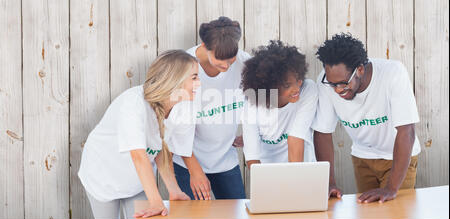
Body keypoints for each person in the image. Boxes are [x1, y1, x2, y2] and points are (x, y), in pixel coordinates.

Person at [78, 50, 200, 219]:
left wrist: (174, 190)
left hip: (135, 182)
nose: (199, 84)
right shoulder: (133, 102)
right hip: (103, 176)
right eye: (194, 78)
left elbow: (163, 151)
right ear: (175, 79)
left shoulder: (184, 106)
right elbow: (138, 156)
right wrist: (156, 201)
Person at [312, 33, 421, 203]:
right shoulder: (326, 81)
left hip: (398, 157)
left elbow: (407, 132)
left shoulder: (393, 73)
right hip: (363, 157)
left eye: (343, 83)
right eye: (333, 84)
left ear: (360, 70)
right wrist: (330, 183)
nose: (337, 90)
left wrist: (391, 188)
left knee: (395, 213)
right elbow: (322, 133)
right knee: (368, 214)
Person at [172, 16, 251, 200]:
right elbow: (174, 127)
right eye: (220, 60)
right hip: (188, 161)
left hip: (226, 159)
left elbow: (262, 98)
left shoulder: (244, 62)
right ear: (204, 46)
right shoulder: (182, 67)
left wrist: (252, 132)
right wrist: (195, 170)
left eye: (231, 60)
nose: (226, 66)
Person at [240, 40, 318, 169]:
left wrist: (296, 180)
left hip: (302, 168)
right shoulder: (253, 102)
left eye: (298, 80)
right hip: (268, 170)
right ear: (269, 86)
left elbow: (295, 138)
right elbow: (251, 154)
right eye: (287, 85)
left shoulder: (308, 89)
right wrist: (262, 178)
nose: (296, 89)